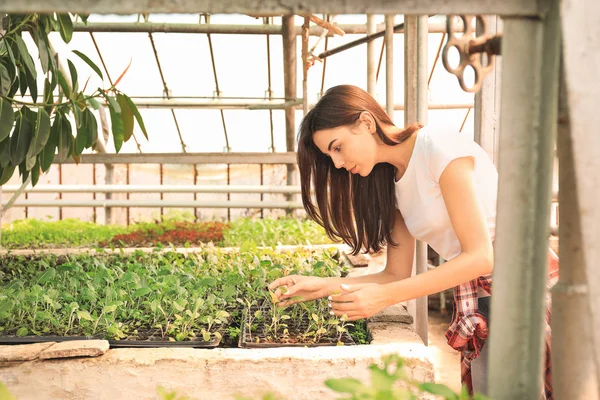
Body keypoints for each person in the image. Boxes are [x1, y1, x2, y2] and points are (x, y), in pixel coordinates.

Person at [268, 84, 556, 398]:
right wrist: (322, 285)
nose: (337, 164)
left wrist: (384, 297)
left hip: (523, 283)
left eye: (337, 147)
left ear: (366, 123)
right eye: (329, 156)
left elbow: (480, 256)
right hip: (479, 294)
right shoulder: (390, 184)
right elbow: (394, 274)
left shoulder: (437, 147)